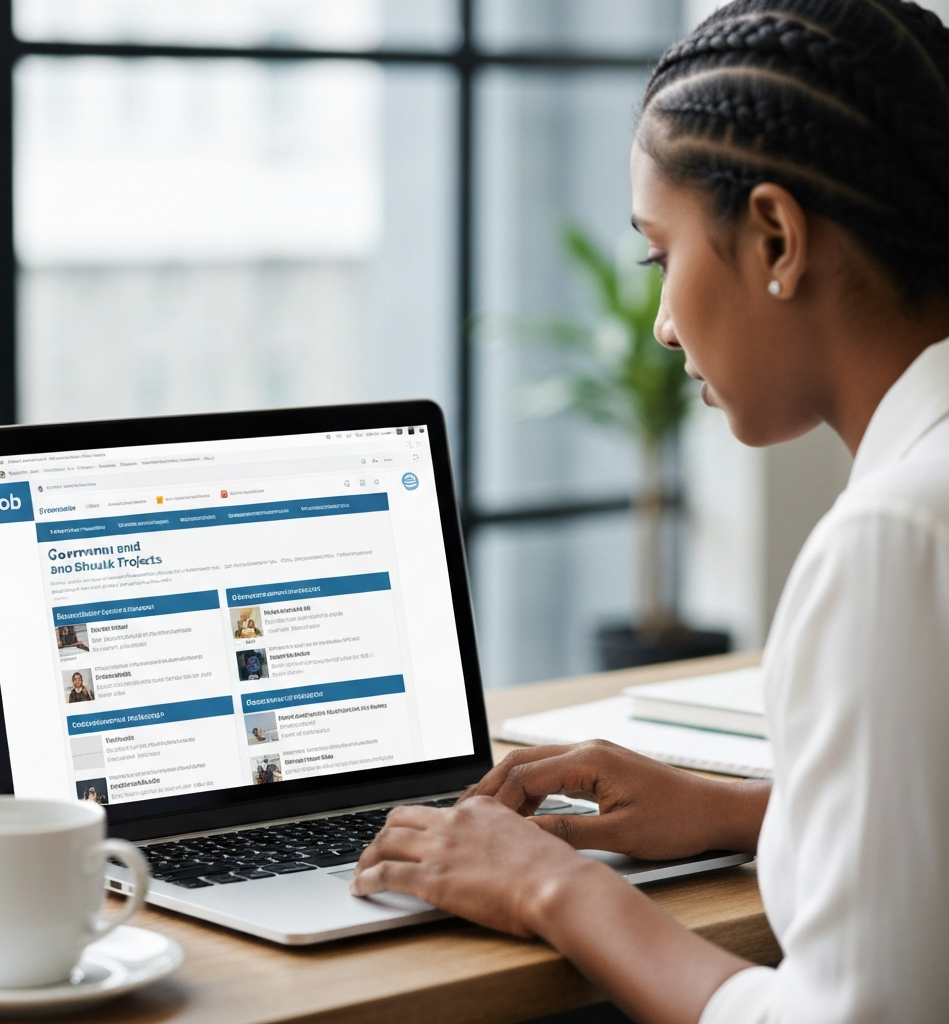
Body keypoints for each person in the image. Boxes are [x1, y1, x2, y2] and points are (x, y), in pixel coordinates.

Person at [352, 2, 949, 1020]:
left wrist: (549, 884)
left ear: (774, 236)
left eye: (658, 254)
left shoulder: (893, 537)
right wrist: (751, 811)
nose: (664, 327)